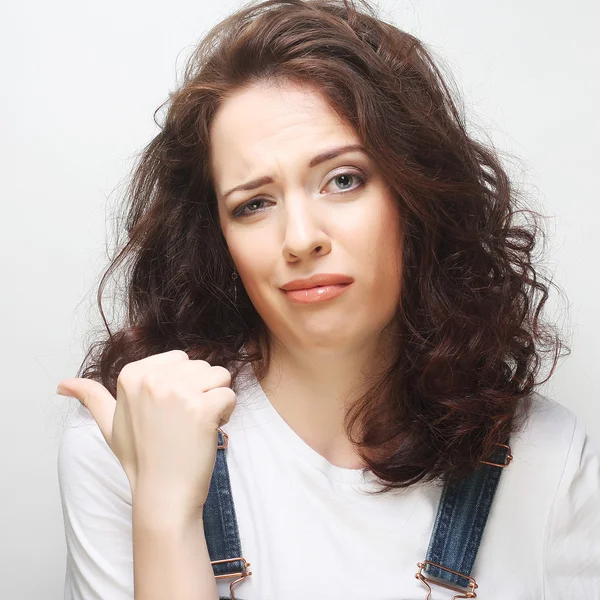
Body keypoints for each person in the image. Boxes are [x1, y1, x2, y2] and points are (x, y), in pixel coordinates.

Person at [55, 0, 600, 598]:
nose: (300, 239)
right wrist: (163, 514)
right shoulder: (129, 440)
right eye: (253, 204)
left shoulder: (549, 460)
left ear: (415, 195)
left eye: (344, 179)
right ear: (219, 240)